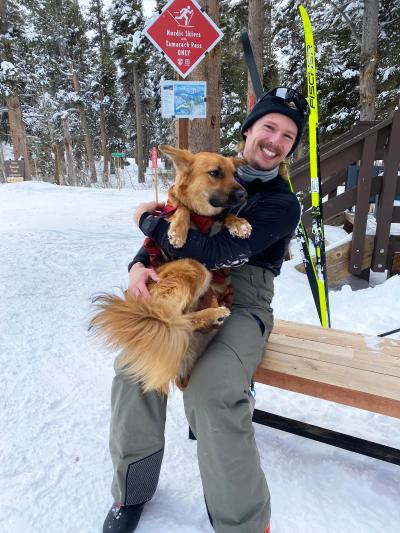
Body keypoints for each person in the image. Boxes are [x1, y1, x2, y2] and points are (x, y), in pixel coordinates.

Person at [102, 87, 308, 533]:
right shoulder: (209, 169)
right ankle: (131, 491)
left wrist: (144, 217)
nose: (275, 140)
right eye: (269, 127)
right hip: (185, 283)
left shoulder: (280, 202)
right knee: (132, 371)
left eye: (288, 136)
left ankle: (243, 524)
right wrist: (139, 264)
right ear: (250, 129)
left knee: (212, 393)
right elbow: (173, 231)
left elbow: (212, 252)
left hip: (244, 303)